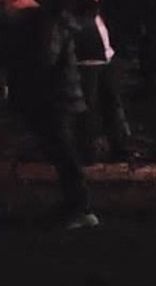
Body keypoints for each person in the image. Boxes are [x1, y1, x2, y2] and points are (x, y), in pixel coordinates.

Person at [2, 0, 98, 229]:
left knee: (63, 153)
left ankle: (80, 208)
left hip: (53, 98)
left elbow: (44, 58)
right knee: (60, 151)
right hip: (55, 97)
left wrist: (20, 75)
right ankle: (76, 205)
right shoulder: (46, 21)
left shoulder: (44, 23)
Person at [72, 0, 130, 160]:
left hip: (104, 60)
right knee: (89, 108)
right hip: (86, 62)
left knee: (111, 104)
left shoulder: (98, 14)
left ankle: (118, 146)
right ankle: (87, 149)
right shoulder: (78, 16)